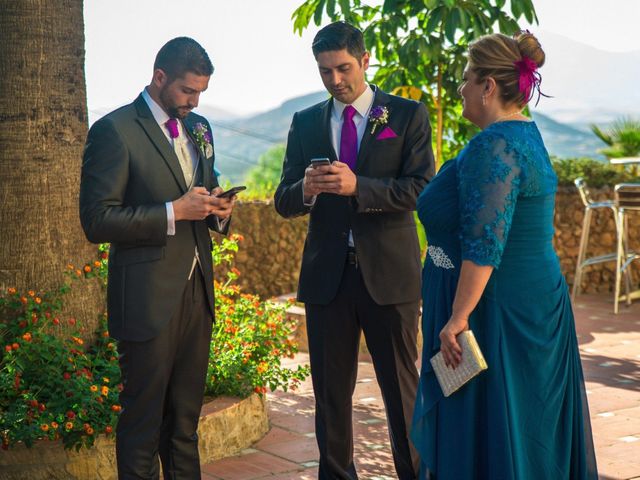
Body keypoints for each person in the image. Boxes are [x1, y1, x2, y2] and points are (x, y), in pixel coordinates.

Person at [410, 31, 598, 479]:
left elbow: (484, 245)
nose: (460, 88)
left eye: (466, 79)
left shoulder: (491, 147)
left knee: (495, 430)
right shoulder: (527, 134)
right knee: (527, 425)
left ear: (488, 87)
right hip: (534, 302)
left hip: (495, 312)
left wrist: (457, 318)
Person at [274, 21, 435, 480]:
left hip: (391, 278)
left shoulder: (407, 115)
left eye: (343, 68)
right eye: (325, 72)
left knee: (403, 395)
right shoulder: (305, 122)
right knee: (329, 398)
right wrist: (304, 189)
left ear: (366, 60)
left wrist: (358, 186)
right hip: (328, 280)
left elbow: (421, 188)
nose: (335, 81)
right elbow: (284, 200)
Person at [79, 37, 235, 479]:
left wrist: (218, 210)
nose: (195, 101)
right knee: (144, 424)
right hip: (146, 300)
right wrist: (172, 211)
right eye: (188, 90)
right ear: (160, 77)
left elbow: (203, 190)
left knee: (185, 424)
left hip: (197, 293)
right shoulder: (114, 131)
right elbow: (97, 220)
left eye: (201, 92)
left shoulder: (200, 127)